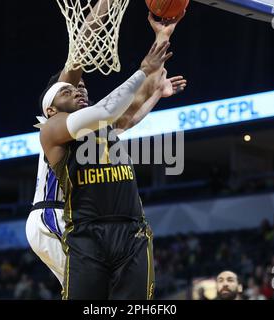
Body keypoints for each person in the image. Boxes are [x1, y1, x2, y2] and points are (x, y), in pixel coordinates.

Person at [26, 1, 187, 300]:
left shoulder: (91, 126)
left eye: (82, 87)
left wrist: (155, 89)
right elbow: (81, 51)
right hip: (56, 214)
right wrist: (106, 4)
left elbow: (125, 117)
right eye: (71, 88)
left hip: (97, 220)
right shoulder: (54, 124)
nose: (79, 89)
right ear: (51, 105)